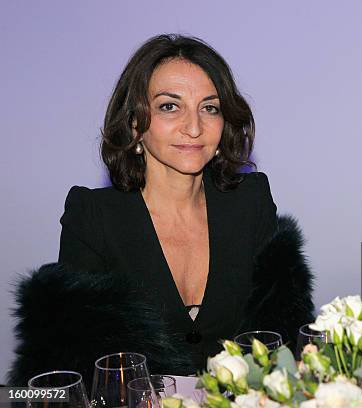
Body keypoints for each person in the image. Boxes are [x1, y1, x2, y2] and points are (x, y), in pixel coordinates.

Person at [58, 34, 280, 371]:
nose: (194, 127)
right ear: (134, 123)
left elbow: (278, 336)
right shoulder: (93, 216)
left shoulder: (251, 201)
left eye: (210, 107)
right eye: (169, 106)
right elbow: (75, 356)